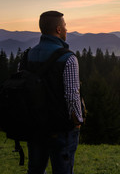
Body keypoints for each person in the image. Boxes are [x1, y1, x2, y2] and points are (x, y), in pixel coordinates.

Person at [26, 11, 83, 174]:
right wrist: (77, 120)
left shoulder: (27, 55)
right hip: (61, 128)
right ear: (58, 29)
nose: (67, 29)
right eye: (65, 26)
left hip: (35, 125)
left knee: (35, 170)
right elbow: (72, 95)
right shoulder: (68, 58)